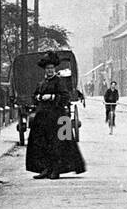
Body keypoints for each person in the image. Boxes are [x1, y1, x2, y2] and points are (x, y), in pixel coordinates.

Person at [26, 51, 87, 179]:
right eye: (48, 68)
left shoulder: (59, 81)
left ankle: (56, 170)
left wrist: (52, 96)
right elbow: (34, 97)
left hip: (57, 117)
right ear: (45, 70)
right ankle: (45, 169)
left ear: (54, 69)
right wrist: (38, 97)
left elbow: (66, 97)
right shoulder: (42, 83)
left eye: (52, 68)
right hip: (42, 118)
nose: (50, 71)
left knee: (57, 144)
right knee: (42, 144)